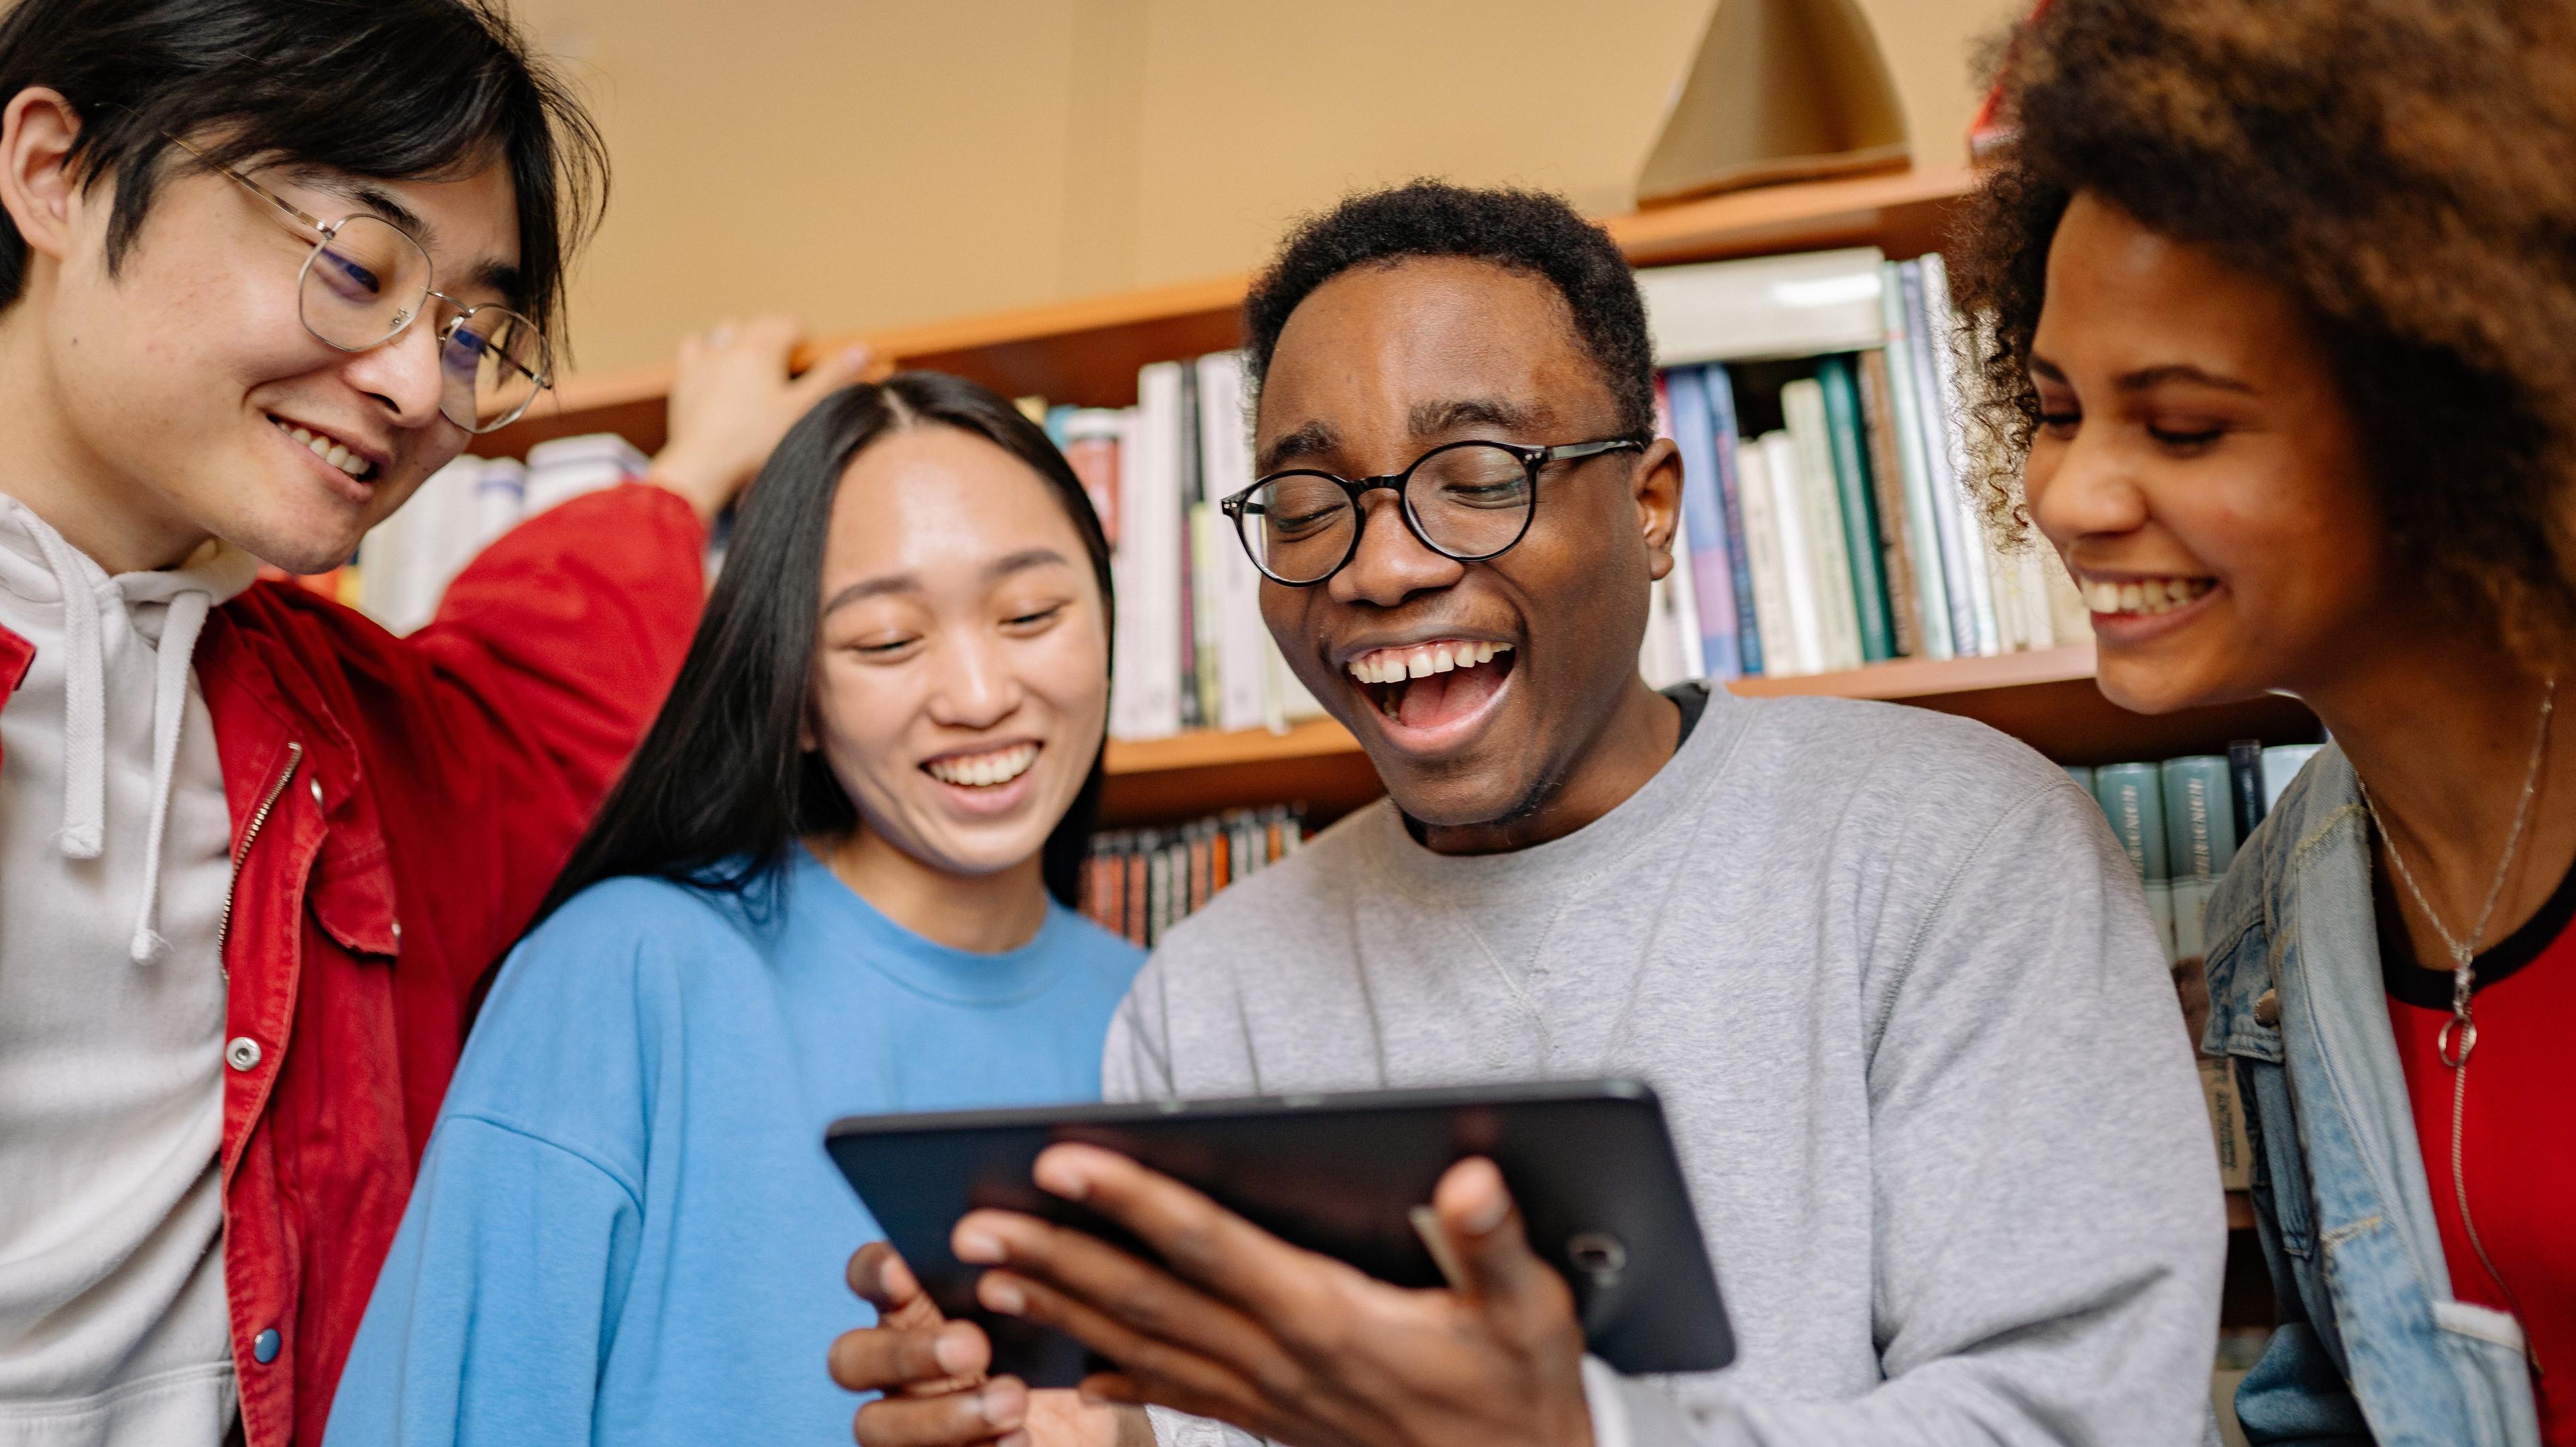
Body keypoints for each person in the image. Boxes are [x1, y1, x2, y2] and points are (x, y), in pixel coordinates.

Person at [826, 182, 2226, 1447]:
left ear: (1655, 505)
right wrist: (1100, 1439)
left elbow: (2077, 1411)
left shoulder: (1956, 848)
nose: (1377, 567)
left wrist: (1571, 1436)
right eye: (1310, 504)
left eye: (1481, 479)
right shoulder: (1210, 998)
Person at [0, 0, 867, 1440]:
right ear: (53, 171)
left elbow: (545, 696)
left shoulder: (338, 730)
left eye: (474, 332)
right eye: (354, 264)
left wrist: (695, 470)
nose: (418, 385)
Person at [1945, 3, 2576, 1443]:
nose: (2074, 496)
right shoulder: (2280, 915)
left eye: (2182, 427)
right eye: (2052, 409)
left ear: (2453, 417)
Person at [323, 372, 1146, 1446]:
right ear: (796, 698)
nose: (980, 693)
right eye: (889, 640)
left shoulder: (1167, 1015)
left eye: (1031, 613)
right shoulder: (628, 967)